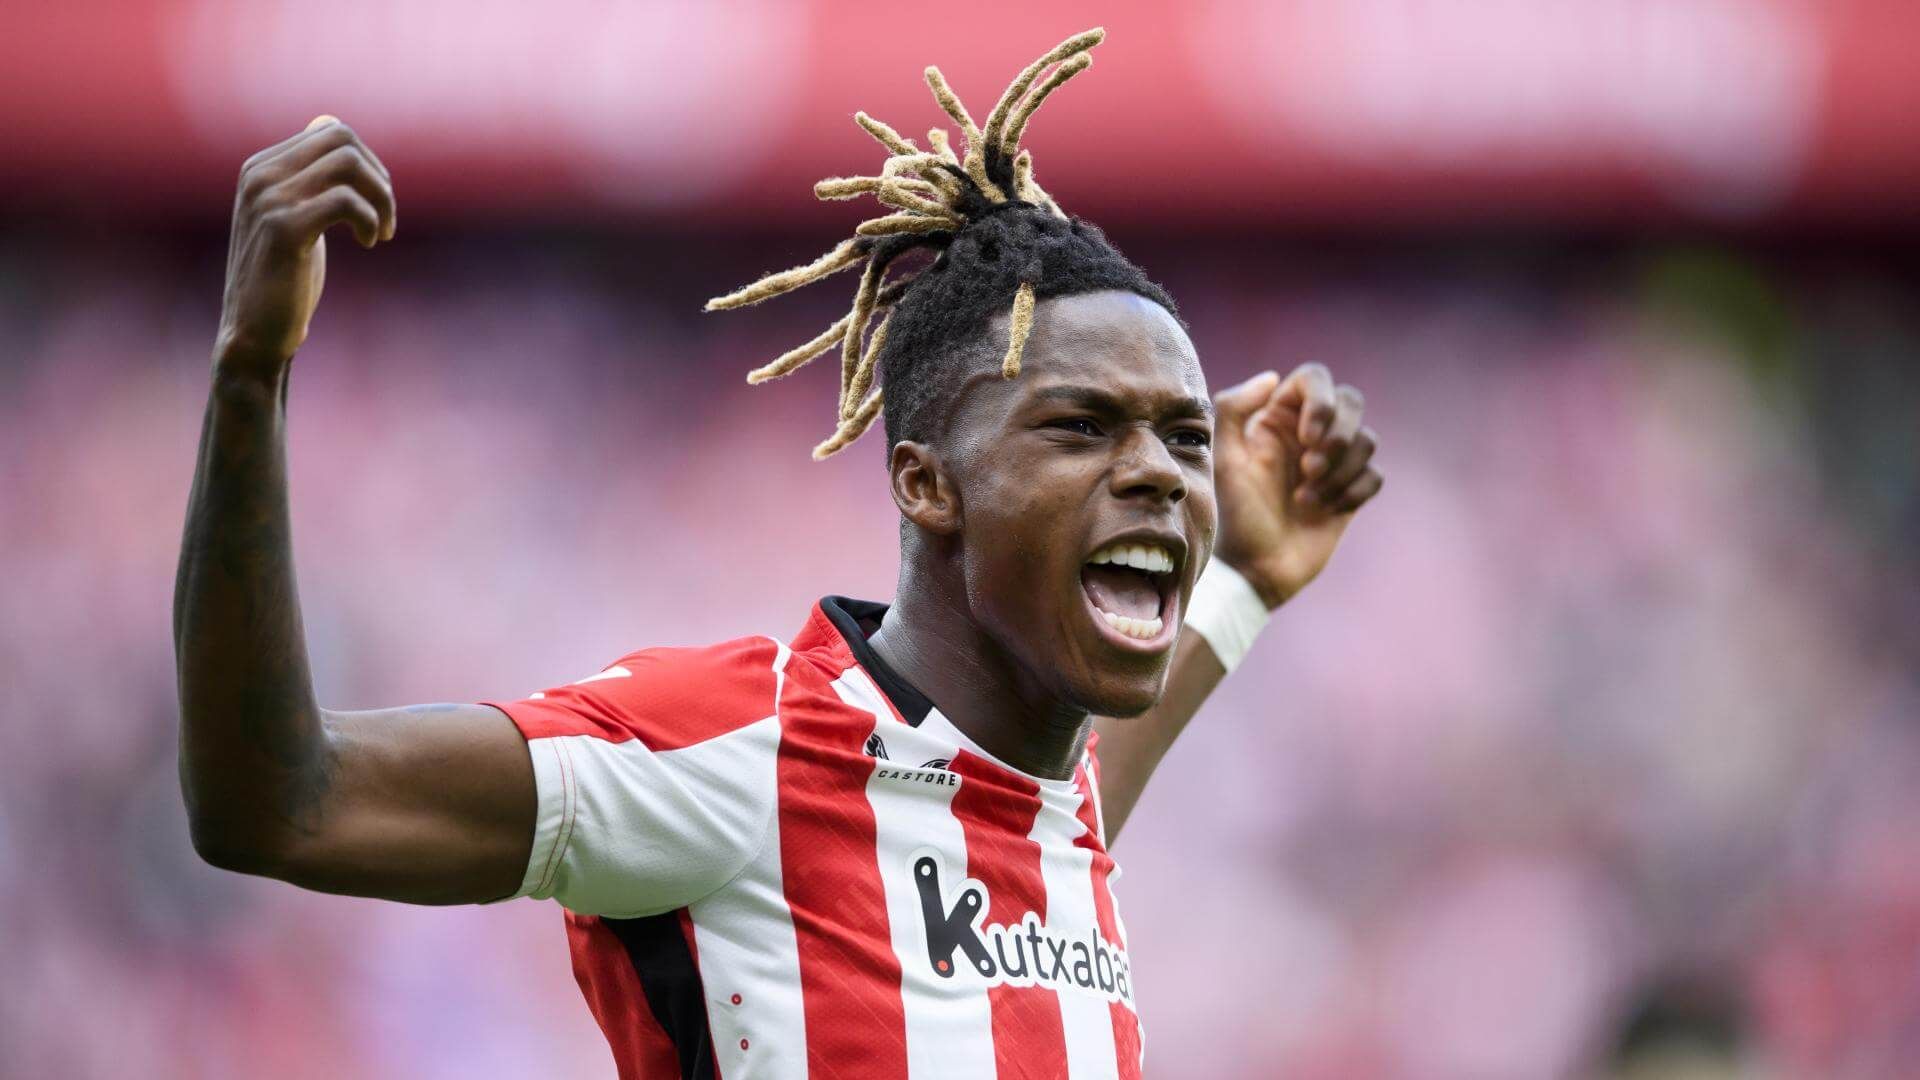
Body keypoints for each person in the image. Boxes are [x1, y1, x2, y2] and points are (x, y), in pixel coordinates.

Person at [174, 28, 1382, 1079]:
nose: (1160, 471)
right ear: (927, 484)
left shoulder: (1046, 794)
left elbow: (1073, 787)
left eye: (1184, 437)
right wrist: (249, 376)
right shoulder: (735, 753)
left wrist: (1247, 581)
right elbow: (278, 806)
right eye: (1081, 426)